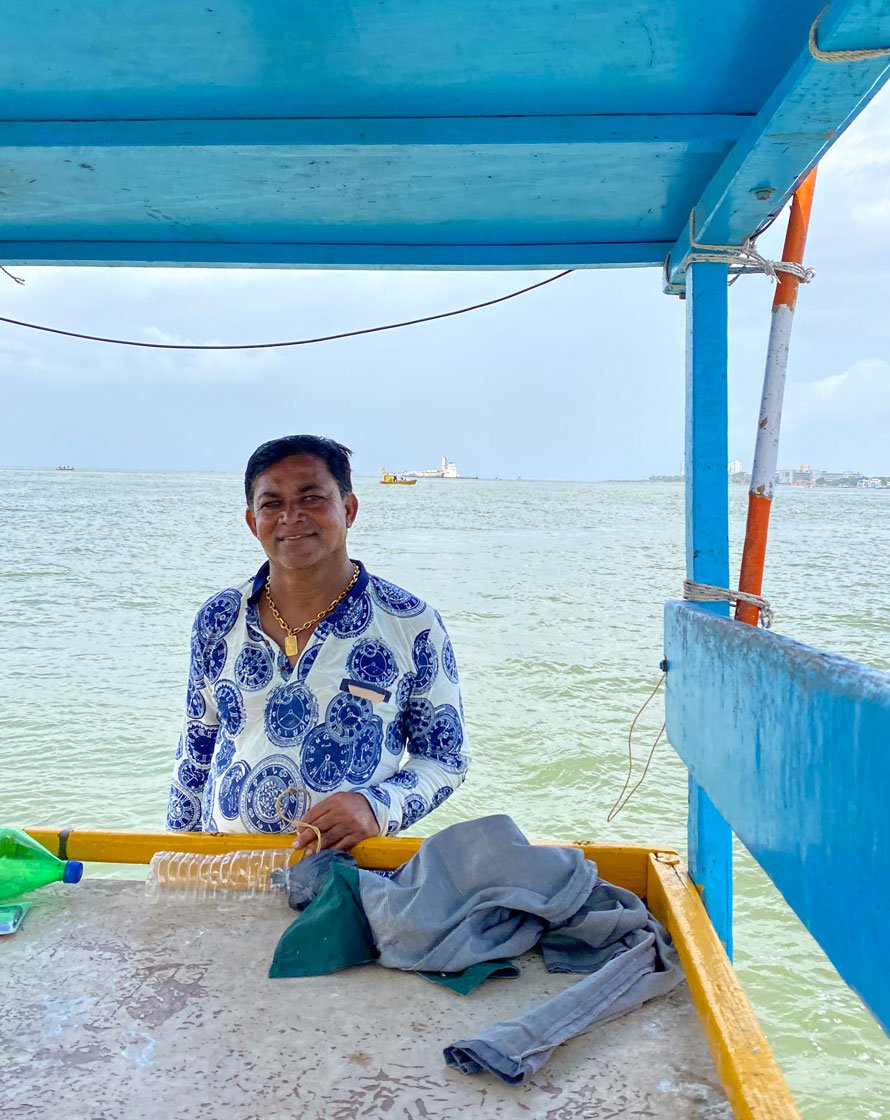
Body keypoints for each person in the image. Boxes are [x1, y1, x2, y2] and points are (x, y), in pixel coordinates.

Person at [166, 435, 470, 850]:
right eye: (271, 503)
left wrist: (375, 806)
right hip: (226, 868)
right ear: (253, 523)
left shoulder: (411, 623)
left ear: (349, 510)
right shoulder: (218, 619)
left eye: (311, 497)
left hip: (352, 876)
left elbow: (446, 759)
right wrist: (173, 856)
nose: (291, 516)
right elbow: (195, 752)